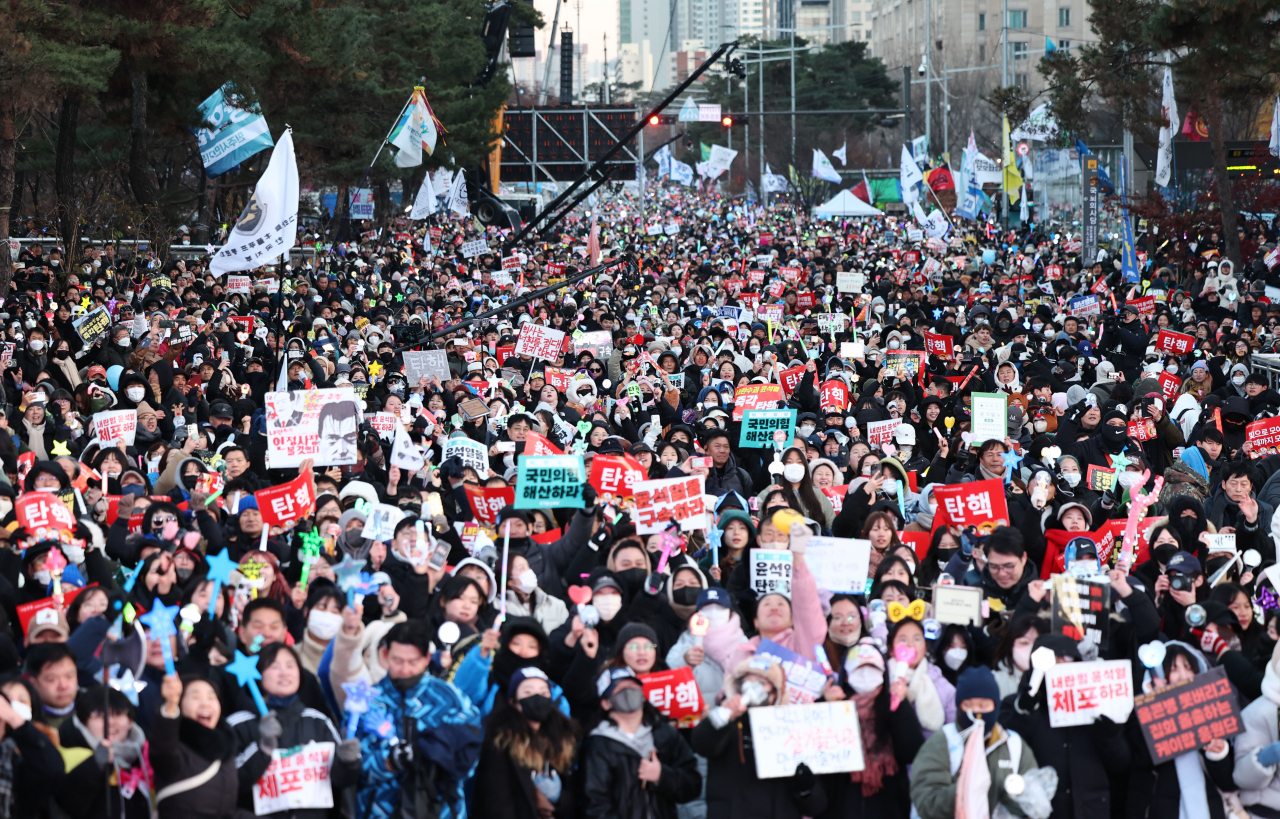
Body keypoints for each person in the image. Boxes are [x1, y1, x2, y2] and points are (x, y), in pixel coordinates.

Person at [352, 620, 482, 819]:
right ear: (385, 655)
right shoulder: (367, 702)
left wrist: (432, 756)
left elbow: (469, 758)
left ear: (427, 658)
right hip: (380, 810)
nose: (405, 669)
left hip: (441, 809)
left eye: (413, 662)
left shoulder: (451, 699)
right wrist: (388, 762)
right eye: (397, 660)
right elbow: (354, 769)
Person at [909, 666, 1040, 819]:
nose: (976, 713)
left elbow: (1034, 802)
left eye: (984, 706)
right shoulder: (943, 742)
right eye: (968, 705)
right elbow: (926, 801)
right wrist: (964, 791)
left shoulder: (1014, 745)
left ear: (995, 706)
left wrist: (1011, 794)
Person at [580, 667, 701, 819]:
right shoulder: (597, 745)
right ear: (605, 703)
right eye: (621, 689)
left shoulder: (665, 734)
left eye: (633, 687)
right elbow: (594, 805)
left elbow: (693, 785)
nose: (629, 693)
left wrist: (662, 776)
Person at [472, 667, 579, 819]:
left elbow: (573, 794)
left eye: (543, 693)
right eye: (528, 693)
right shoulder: (500, 741)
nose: (537, 698)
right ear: (514, 701)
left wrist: (557, 801)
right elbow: (496, 802)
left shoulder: (563, 739)